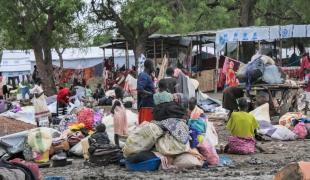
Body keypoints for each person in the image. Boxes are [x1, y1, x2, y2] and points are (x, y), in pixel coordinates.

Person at [137, 60, 155, 124]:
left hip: (149, 103)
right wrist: (150, 94)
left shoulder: (147, 75)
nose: (153, 68)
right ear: (149, 66)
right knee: (146, 124)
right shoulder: (143, 75)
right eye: (152, 66)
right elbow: (140, 89)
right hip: (146, 105)